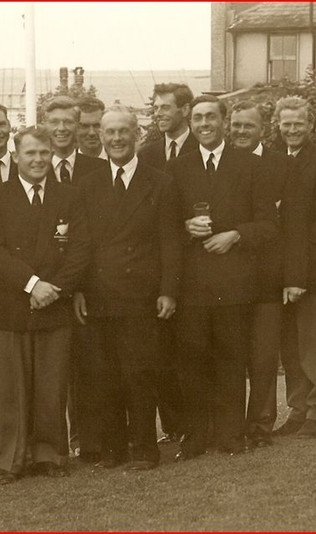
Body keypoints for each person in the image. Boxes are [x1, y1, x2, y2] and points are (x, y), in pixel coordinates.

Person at [0, 126, 92, 484]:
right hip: (10, 306)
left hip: (54, 304)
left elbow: (80, 250)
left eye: (44, 153)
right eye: (31, 153)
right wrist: (32, 284)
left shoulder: (70, 196)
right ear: (15, 156)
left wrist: (54, 289)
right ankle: (12, 460)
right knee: (10, 389)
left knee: (51, 385)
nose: (39, 159)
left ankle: (50, 454)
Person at [167, 95, 278, 459]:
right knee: (193, 361)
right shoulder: (178, 168)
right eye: (197, 118)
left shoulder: (250, 165)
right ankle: (197, 435)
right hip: (193, 283)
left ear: (224, 121)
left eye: (210, 118)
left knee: (232, 359)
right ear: (191, 121)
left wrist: (236, 235)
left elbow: (269, 224)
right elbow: (164, 227)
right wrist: (186, 227)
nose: (203, 125)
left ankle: (231, 435)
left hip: (234, 282)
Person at [73, 105, 181, 469]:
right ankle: (113, 449)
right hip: (100, 292)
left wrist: (168, 289)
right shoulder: (86, 185)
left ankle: (145, 448)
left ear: (135, 135)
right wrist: (78, 290)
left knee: (139, 373)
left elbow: (170, 242)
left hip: (141, 294)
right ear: (101, 137)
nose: (116, 138)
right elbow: (81, 244)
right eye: (110, 133)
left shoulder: (160, 182)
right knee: (104, 375)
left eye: (123, 132)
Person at [42, 95, 106, 460]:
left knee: (86, 366)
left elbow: (95, 236)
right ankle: (52, 444)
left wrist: (79, 286)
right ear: (46, 124)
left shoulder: (95, 169)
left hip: (82, 285)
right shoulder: (32, 164)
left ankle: (87, 438)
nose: (63, 128)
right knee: (51, 371)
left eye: (70, 122)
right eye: (56, 122)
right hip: (42, 286)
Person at [274, 96, 316, 439]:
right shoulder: (272, 161)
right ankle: (298, 410)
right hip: (281, 274)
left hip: (314, 272)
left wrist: (299, 273)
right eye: (286, 123)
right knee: (291, 348)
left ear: (311, 125)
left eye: (298, 123)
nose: (292, 130)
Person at [137, 82, 198, 444]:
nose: (159, 114)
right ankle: (173, 425)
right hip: (157, 267)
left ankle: (196, 424)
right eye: (156, 108)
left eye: (165, 108)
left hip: (196, 265)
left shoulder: (202, 145)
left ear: (185, 110)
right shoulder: (148, 154)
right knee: (159, 351)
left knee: (191, 351)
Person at [227, 100, 290, 447]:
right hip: (228, 280)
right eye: (235, 125)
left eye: (247, 126)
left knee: (264, 358)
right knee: (231, 356)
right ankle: (232, 423)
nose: (240, 132)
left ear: (262, 129)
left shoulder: (281, 166)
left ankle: (261, 425)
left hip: (266, 276)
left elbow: (287, 223)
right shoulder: (220, 165)